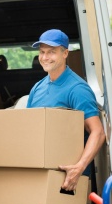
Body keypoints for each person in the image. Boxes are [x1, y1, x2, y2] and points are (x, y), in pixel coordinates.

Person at [27, 29, 105, 191]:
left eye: (51, 52)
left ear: (65, 53)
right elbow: (29, 127)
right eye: (42, 52)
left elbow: (98, 132)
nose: (45, 57)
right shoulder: (38, 87)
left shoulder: (77, 89)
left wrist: (79, 168)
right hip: (39, 170)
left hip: (67, 176)